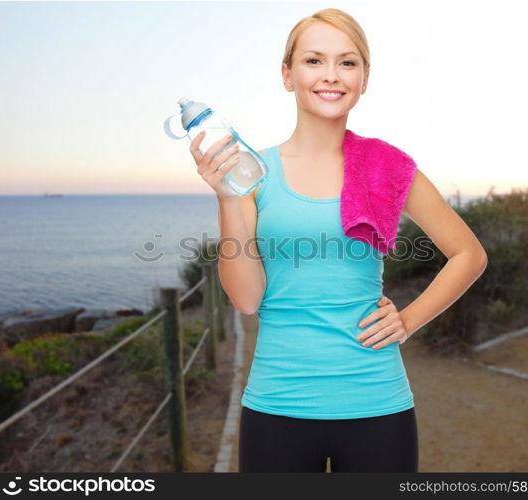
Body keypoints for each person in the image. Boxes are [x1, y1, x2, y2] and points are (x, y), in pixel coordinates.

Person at [190, 8, 487, 472]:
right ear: (287, 75)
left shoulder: (388, 167)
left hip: (378, 405)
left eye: (347, 62)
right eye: (313, 61)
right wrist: (228, 197)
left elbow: (468, 254)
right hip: (275, 406)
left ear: (365, 78)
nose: (331, 75)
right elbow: (246, 300)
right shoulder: (252, 174)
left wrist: (408, 320)